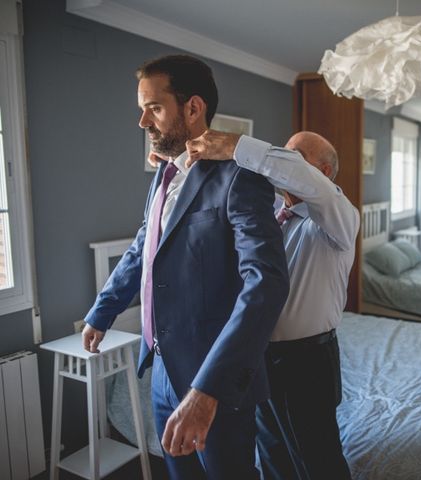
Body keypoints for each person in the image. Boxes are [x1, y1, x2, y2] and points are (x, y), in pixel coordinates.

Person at [81, 54, 290, 479]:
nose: (143, 122)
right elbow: (144, 250)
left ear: (193, 108)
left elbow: (265, 283)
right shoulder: (163, 177)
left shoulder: (239, 176)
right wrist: (101, 311)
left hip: (216, 379)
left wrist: (208, 389)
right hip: (161, 371)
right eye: (142, 109)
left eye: (154, 108)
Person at [185, 129, 359, 480]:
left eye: (294, 157)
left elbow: (312, 188)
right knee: (272, 455)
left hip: (307, 361)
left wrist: (238, 146)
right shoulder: (268, 216)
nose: (282, 161)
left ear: (322, 173)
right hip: (258, 356)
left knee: (317, 461)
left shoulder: (339, 217)